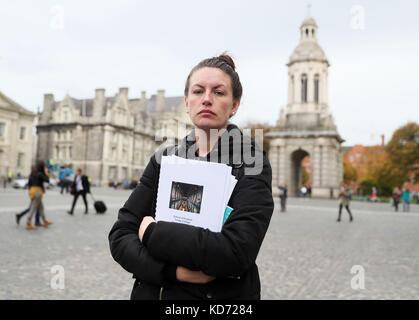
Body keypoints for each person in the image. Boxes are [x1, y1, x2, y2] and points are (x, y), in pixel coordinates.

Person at [108, 53, 274, 300]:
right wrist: (172, 272)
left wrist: (152, 233)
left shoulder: (252, 164)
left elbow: (234, 253)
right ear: (187, 101)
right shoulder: (162, 160)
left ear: (235, 104)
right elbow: (121, 236)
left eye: (218, 92)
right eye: (198, 91)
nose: (207, 99)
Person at [25, 161, 53, 230]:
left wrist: (30, 191)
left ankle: (45, 221)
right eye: (44, 166)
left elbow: (29, 183)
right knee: (33, 207)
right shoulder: (40, 174)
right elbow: (47, 180)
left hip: (33, 190)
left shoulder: (33, 173)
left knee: (41, 207)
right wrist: (46, 172)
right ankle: (28, 223)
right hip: (38, 191)